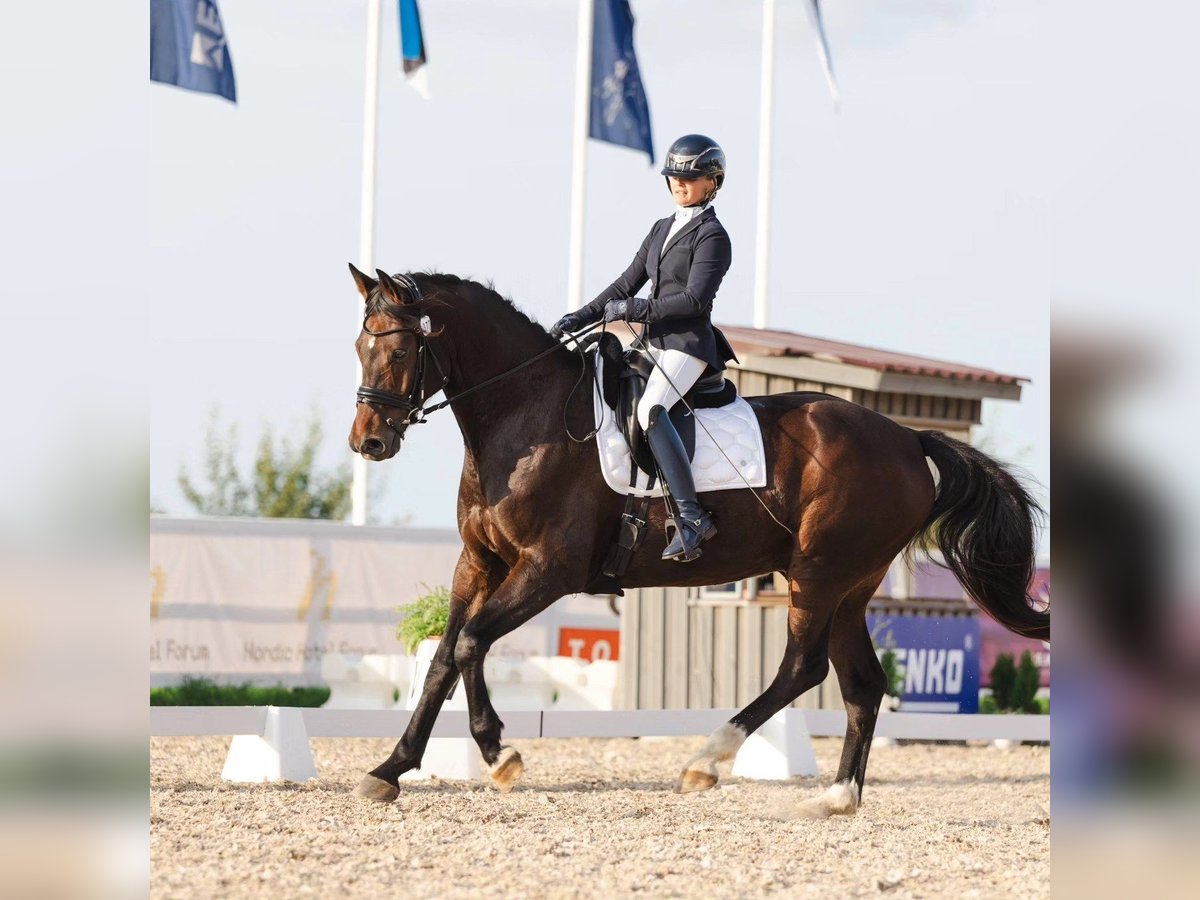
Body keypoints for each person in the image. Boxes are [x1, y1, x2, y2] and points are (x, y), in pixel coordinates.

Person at [551, 134, 738, 562]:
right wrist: (581, 316)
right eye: (675, 176)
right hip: (653, 343)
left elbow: (693, 301)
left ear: (713, 182)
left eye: (691, 178)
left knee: (650, 409)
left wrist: (634, 308)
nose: (680, 183)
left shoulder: (713, 236)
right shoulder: (661, 228)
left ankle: (693, 518)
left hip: (688, 344)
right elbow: (625, 282)